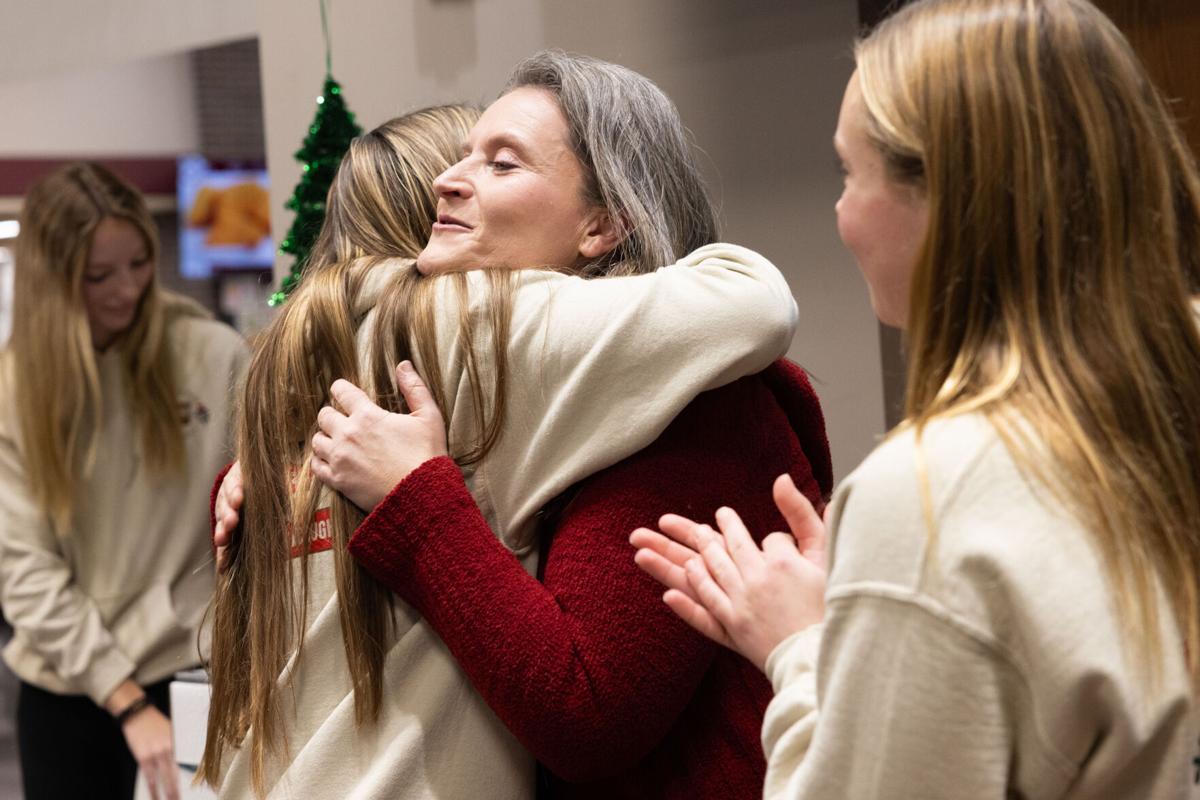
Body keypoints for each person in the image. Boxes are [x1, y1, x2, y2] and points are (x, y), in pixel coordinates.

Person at [633, 0, 1200, 797]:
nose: (839, 213)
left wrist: (802, 646)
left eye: (848, 172)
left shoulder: (935, 494)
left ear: (952, 199)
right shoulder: (1152, 416)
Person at [202, 65, 809, 799]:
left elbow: (585, 711)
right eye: (461, 157)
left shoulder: (672, 391)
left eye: (502, 162)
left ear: (602, 222)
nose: (451, 184)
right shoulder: (452, 348)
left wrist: (413, 499)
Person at [0, 162, 249, 800]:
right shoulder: (16, 388)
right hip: (70, 696)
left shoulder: (212, 354)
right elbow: (24, 573)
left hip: (195, 678)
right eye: (97, 275)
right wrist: (126, 700)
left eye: (139, 263)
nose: (127, 290)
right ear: (50, 281)